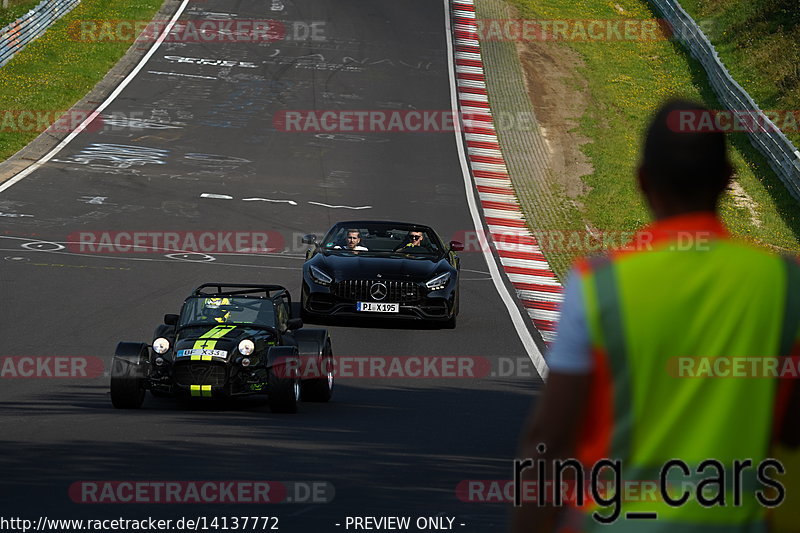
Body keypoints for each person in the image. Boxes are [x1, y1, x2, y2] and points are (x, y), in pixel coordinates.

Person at [511, 99, 799, 533]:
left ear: (643, 181)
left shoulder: (597, 285)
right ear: (727, 181)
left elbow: (547, 442)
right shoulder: (786, 284)